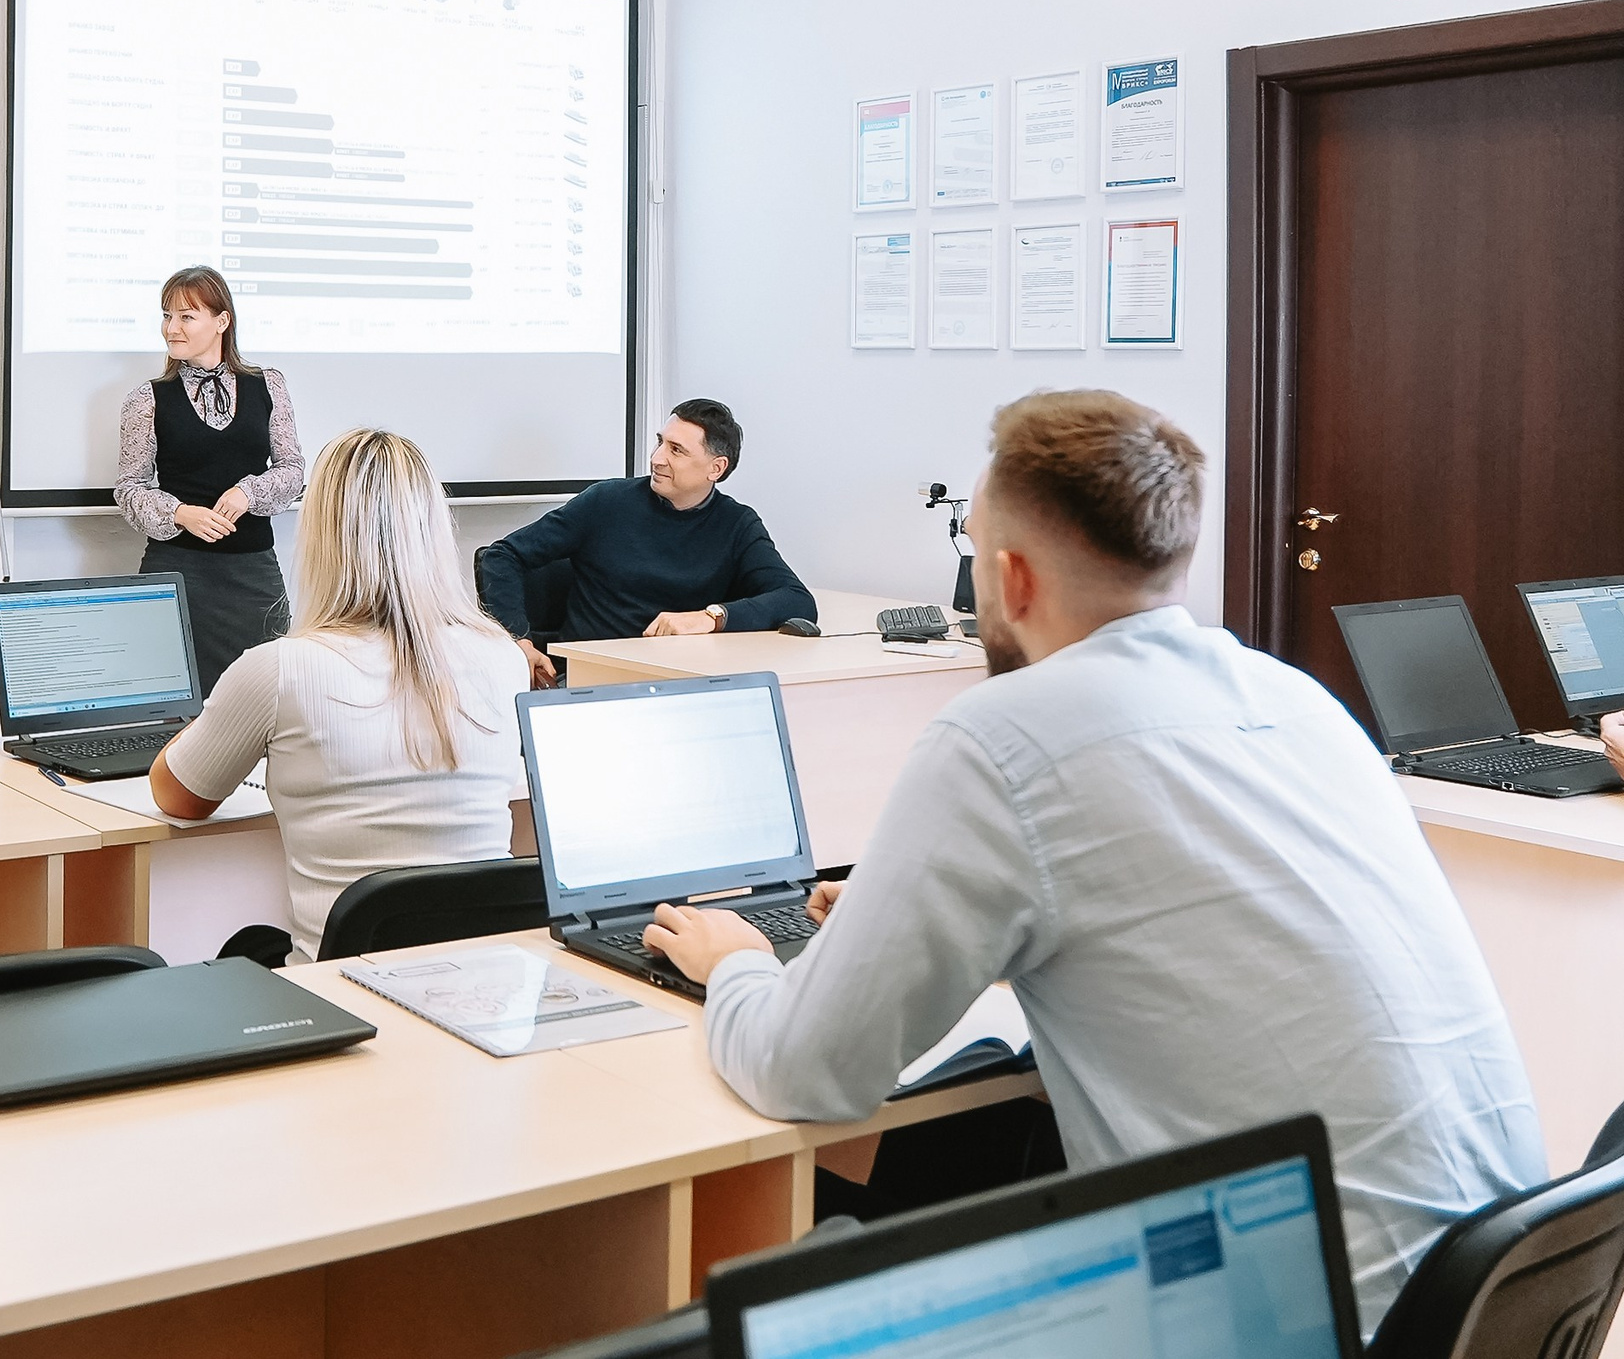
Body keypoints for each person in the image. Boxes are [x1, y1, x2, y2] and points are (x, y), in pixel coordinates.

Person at [640, 389, 1544, 1334]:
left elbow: (802, 1069)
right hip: (1490, 1294)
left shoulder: (1002, 736)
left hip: (1301, 1313)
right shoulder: (1297, 698)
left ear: (1014, 579)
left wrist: (736, 957)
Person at [149, 428, 528, 961]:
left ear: (321, 536)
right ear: (432, 530)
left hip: (344, 1000)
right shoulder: (503, 657)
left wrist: (226, 711)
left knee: (243, 949)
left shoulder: (280, 669)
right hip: (481, 992)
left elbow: (178, 797)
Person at [477, 397, 815, 687]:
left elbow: (795, 600)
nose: (656, 458)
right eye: (660, 442)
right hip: (592, 679)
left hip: (684, 682)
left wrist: (712, 617)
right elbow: (502, 556)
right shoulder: (607, 502)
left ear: (716, 468)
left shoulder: (736, 524)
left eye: (677, 450)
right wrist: (518, 640)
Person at [115, 266, 304, 694]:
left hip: (252, 574)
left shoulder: (268, 385)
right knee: (167, 699)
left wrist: (248, 491)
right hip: (178, 571)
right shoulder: (146, 398)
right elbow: (129, 489)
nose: (171, 328)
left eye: (186, 316)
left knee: (269, 695)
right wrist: (181, 514)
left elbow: (292, 470)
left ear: (222, 321)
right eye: (167, 316)